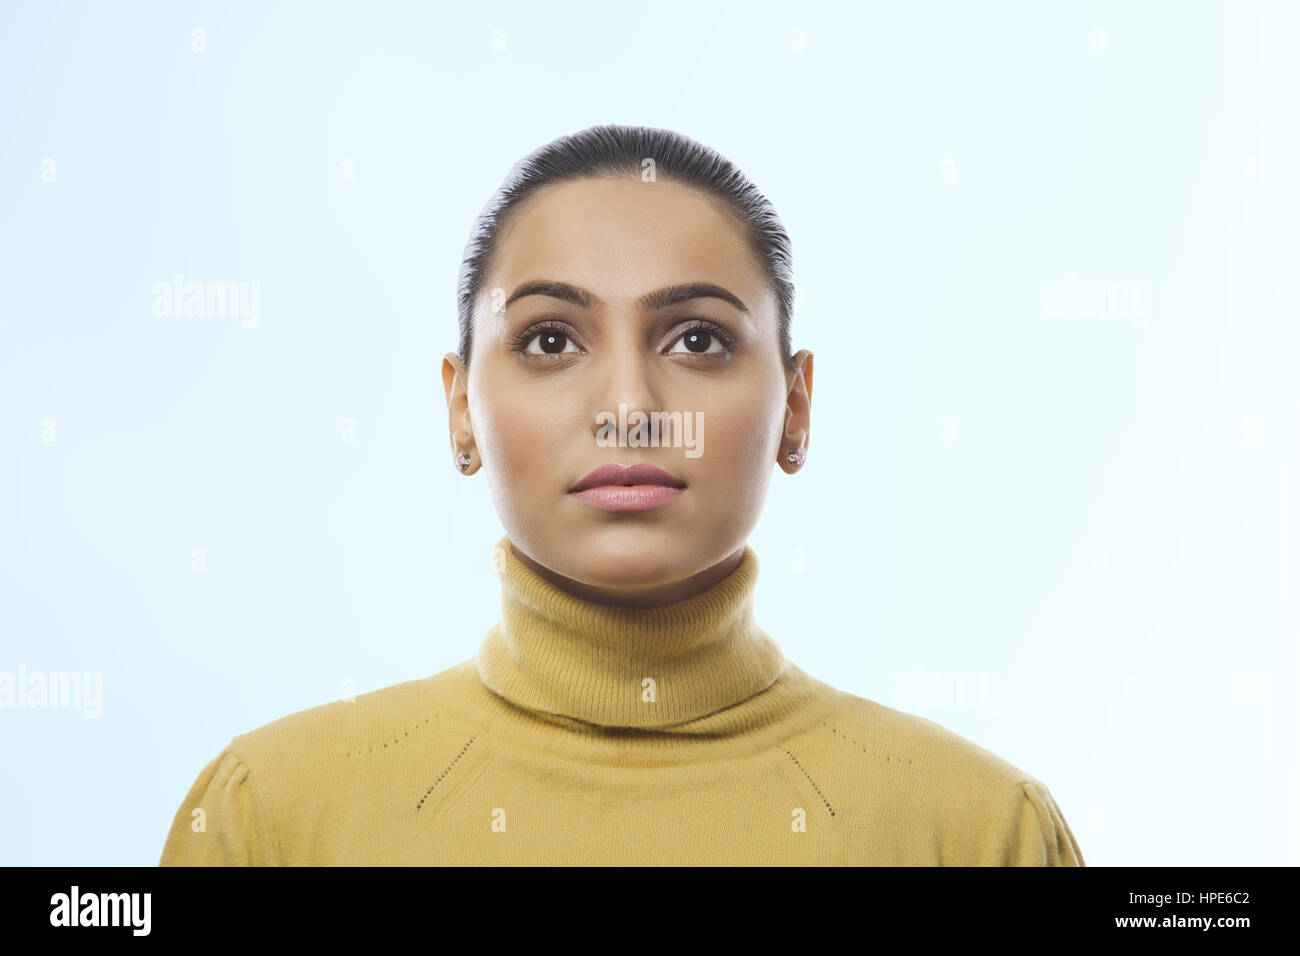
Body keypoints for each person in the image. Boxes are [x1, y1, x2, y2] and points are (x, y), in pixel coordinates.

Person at [159, 124, 1084, 865]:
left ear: (796, 406)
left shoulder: (979, 833)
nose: (631, 411)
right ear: (461, 409)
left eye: (698, 340)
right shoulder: (272, 817)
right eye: (551, 341)